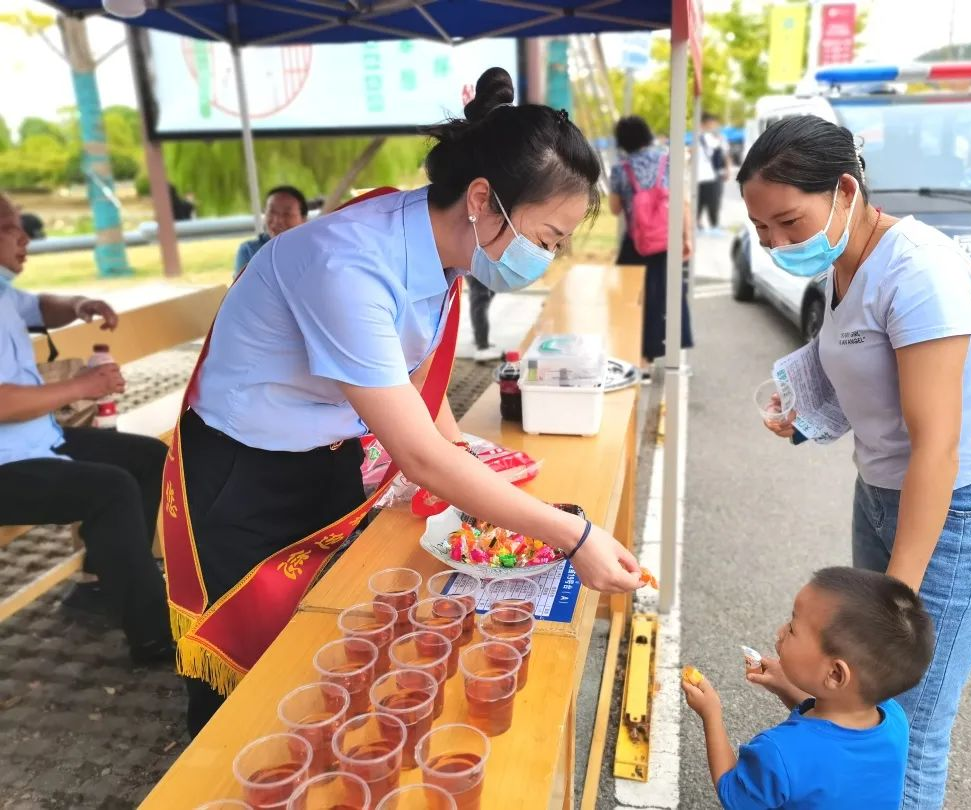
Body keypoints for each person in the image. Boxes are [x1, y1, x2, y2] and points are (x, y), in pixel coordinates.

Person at [166, 67, 644, 737]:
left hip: (324, 455)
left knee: (320, 632)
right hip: (244, 473)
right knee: (240, 651)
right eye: (546, 239)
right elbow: (416, 454)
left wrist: (463, 449)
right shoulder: (350, 263)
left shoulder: (440, 244)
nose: (547, 258)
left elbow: (417, 374)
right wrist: (573, 535)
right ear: (482, 198)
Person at [741, 116, 971, 810]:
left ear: (845, 189)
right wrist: (804, 421)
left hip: (959, 504)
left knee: (908, 721)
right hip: (881, 492)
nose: (779, 244)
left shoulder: (919, 270)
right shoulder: (847, 261)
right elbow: (867, 375)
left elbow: (938, 444)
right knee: (862, 705)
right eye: (762, 231)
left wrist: (889, 607)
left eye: (789, 221)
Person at [0, 192, 171, 664]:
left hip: (36, 442)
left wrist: (79, 303)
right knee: (110, 489)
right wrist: (83, 386)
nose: (25, 237)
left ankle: (103, 581)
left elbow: (40, 307)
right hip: (7, 464)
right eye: (11, 228)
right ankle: (151, 635)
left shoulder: (2, 292)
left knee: (146, 457)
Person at [683, 567, 935, 809]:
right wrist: (785, 687)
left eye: (792, 628)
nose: (781, 631)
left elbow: (733, 793)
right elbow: (833, 731)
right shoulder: (893, 718)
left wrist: (711, 714)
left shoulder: (779, 753)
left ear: (835, 674)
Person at [609, 115, 693, 365]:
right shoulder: (668, 161)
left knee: (632, 297)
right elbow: (683, 202)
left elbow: (614, 209)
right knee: (669, 294)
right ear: (647, 134)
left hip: (636, 243)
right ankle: (674, 356)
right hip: (667, 239)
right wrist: (686, 237)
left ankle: (640, 358)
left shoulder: (621, 168)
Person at [233, 185, 308, 277]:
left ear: (304, 220)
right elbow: (243, 290)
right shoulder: (249, 251)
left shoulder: (312, 251)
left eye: (287, 214)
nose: (277, 220)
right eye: (272, 212)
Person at [696, 112, 732, 233]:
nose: (713, 126)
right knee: (699, 200)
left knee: (714, 200)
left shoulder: (721, 138)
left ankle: (714, 225)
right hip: (700, 175)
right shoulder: (698, 138)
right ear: (703, 124)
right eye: (710, 124)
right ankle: (697, 223)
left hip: (715, 174)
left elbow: (726, 155)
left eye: (714, 124)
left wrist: (728, 170)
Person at [467, 276, 499, 362]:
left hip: (481, 268)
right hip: (480, 268)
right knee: (481, 300)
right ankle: (482, 348)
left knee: (482, 297)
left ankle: (479, 338)